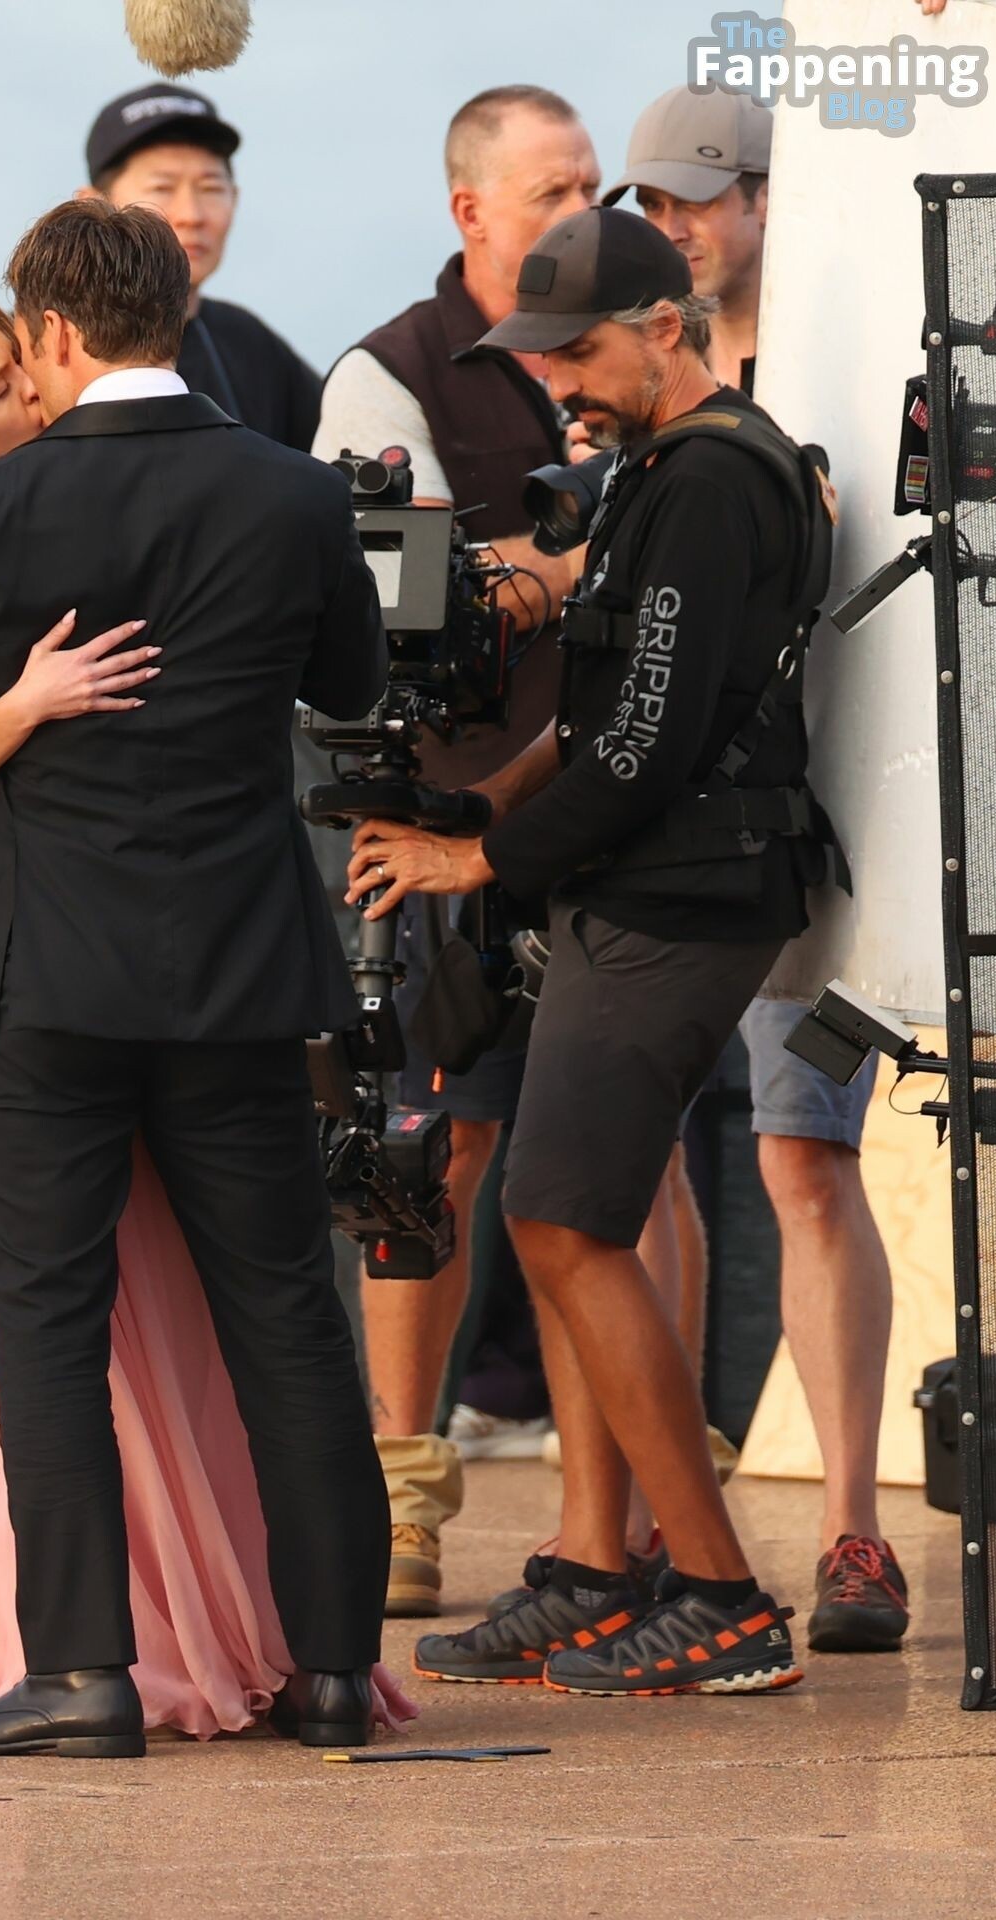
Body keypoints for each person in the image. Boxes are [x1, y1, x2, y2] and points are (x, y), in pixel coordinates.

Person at [0, 197, 393, 1758]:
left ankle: (81, 1678)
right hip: (239, 973)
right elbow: (352, 682)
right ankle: (333, 1673)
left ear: (55, 331)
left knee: (49, 1324)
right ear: (175, 312)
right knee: (286, 1313)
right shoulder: (294, 493)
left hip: (39, 976)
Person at [352, 207, 837, 1697]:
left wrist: (480, 859)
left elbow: (647, 746)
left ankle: (721, 1595)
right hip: (642, 891)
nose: (556, 379)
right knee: (567, 1221)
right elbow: (596, 713)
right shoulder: (657, 470)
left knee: (562, 1223)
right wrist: (479, 802)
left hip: (683, 899)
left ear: (666, 328)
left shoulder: (712, 478)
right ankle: (588, 1568)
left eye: (577, 352)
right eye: (541, 355)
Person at [608, 86, 909, 1653]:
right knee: (632, 1171)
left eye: (698, 199)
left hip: (832, 825)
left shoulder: (850, 349)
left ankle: (856, 1530)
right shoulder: (648, 370)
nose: (675, 230)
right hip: (675, 833)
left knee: (801, 1160)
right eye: (653, 205)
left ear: (772, 200)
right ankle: (648, 1521)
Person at [311, 83, 596, 1618]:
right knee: (436, 1152)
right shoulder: (388, 372)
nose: (584, 214)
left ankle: (631, 1492)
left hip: (617, 815)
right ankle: (404, 1495)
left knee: (634, 1164)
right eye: (553, 191)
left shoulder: (626, 341)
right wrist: (587, 557)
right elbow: (396, 595)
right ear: (468, 211)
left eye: (596, 187)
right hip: (447, 824)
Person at [83, 83, 320, 449]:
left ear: (235, 199)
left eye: (211, 189)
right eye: (162, 188)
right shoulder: (45, 348)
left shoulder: (250, 344)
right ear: (92, 205)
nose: (192, 215)